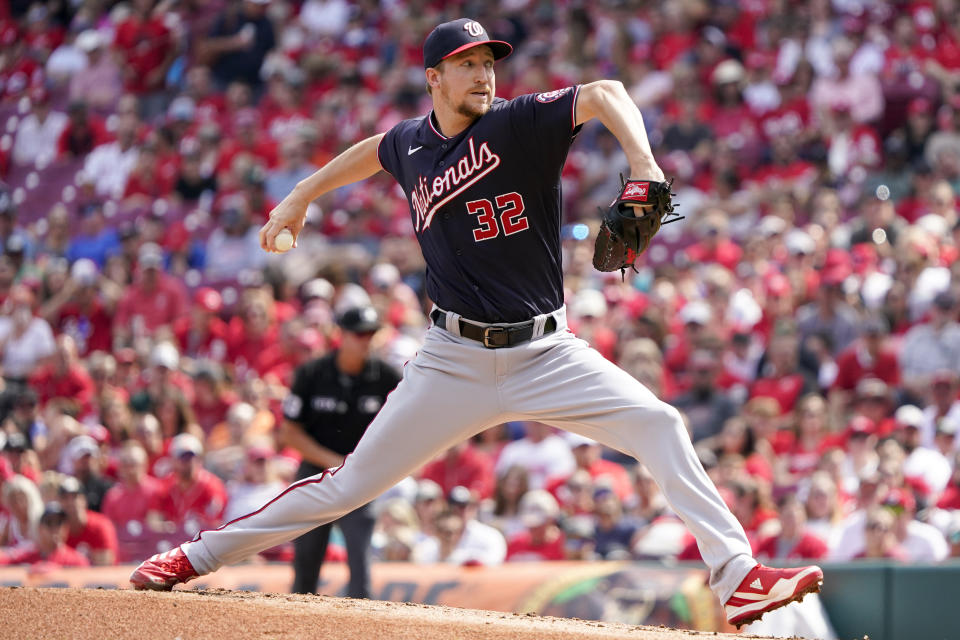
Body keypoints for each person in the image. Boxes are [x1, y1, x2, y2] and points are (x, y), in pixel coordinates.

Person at [131, 19, 822, 629]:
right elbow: (376, 148)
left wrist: (643, 163)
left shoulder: (519, 124)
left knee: (661, 425)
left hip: (547, 352)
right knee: (345, 485)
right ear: (434, 78)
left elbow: (606, 90)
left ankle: (736, 579)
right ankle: (195, 556)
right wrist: (302, 194)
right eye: (468, 63)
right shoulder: (412, 145)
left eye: (489, 62)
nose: (485, 73)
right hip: (452, 360)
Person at [280, 306, 401, 597]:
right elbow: (289, 433)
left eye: (371, 333)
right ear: (341, 335)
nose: (365, 340)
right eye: (359, 333)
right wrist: (335, 462)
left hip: (361, 476)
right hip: (315, 472)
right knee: (306, 562)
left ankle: (362, 630)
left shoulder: (387, 377)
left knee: (360, 562)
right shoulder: (312, 373)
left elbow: (405, 425)